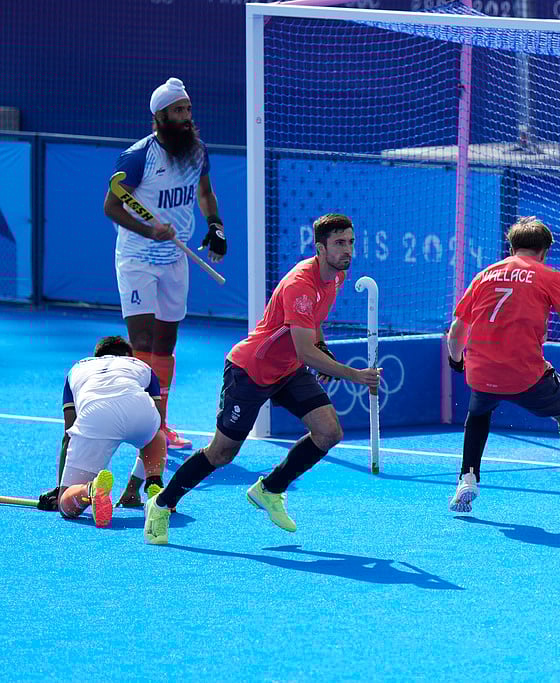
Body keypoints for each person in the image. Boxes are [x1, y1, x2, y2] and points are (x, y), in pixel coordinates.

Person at [142, 214, 379, 545]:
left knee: (328, 432)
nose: (348, 250)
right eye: (339, 243)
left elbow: (313, 325)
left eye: (351, 242)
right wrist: (354, 375)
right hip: (250, 371)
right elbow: (304, 350)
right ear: (320, 248)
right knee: (222, 453)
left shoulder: (336, 278)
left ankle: (271, 488)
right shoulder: (300, 284)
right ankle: (162, 503)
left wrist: (323, 348)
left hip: (287, 370)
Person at [445, 216, 560, 515]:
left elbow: (457, 329)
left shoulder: (484, 275)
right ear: (544, 252)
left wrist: (457, 361)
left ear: (511, 248)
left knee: (479, 410)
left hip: (479, 369)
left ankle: (467, 477)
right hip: (524, 374)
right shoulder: (549, 276)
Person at [102, 76, 228, 474]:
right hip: (138, 258)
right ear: (160, 116)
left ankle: (161, 421)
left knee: (166, 342)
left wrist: (216, 226)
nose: (186, 117)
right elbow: (112, 206)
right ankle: (141, 425)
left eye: (188, 109)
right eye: (178, 110)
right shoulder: (137, 157)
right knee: (141, 341)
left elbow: (205, 193)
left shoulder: (197, 152)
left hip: (176, 258)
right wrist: (149, 230)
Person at [52, 336, 167, 528]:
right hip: (139, 410)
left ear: (97, 356)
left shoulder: (78, 368)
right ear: (129, 356)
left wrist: (60, 491)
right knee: (156, 435)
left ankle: (89, 490)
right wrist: (132, 489)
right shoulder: (140, 365)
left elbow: (68, 436)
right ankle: (153, 482)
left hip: (96, 417)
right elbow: (157, 423)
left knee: (67, 506)